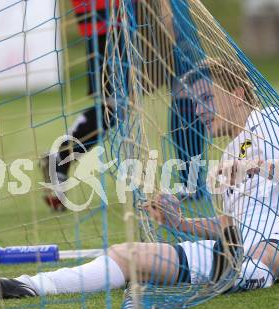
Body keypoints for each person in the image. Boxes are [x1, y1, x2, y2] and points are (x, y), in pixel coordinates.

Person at [0, 58, 279, 301]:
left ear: (237, 93)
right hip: (246, 248)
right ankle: (29, 285)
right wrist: (179, 222)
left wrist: (258, 168)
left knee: (253, 256)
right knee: (128, 254)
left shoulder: (273, 120)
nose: (199, 111)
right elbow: (230, 227)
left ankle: (246, 274)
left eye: (207, 99)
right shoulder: (230, 154)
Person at [42, 0, 206, 211]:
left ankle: (190, 181)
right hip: (121, 16)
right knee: (183, 85)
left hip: (111, 16)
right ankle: (190, 182)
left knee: (185, 85)